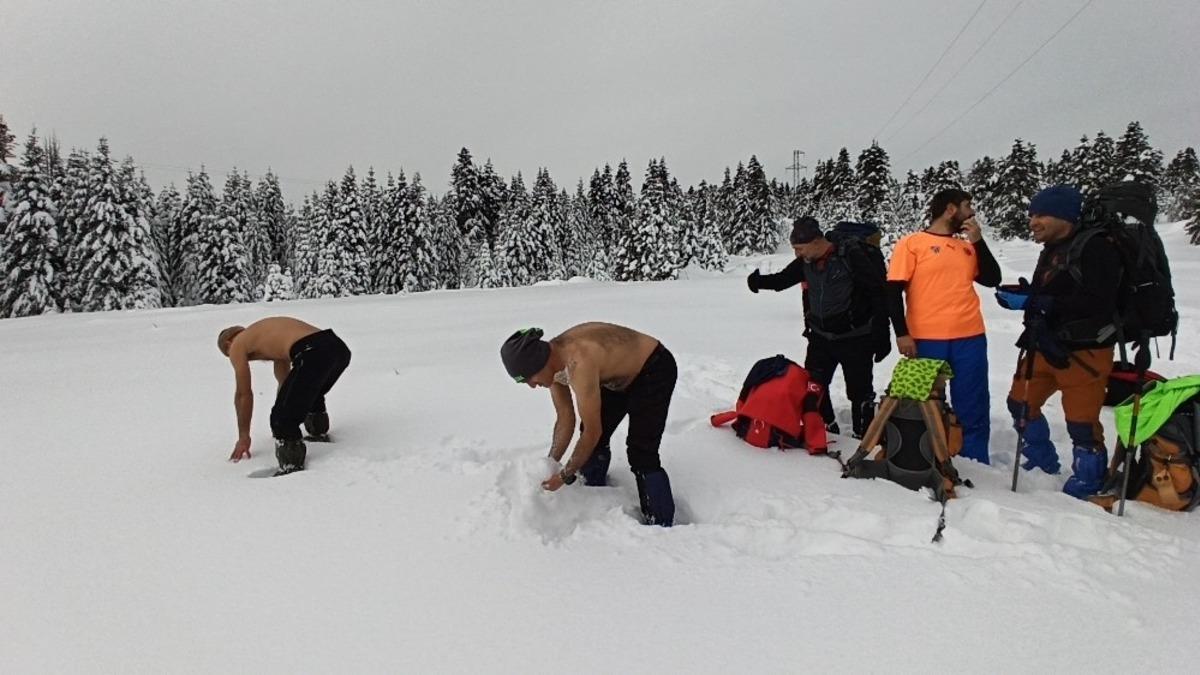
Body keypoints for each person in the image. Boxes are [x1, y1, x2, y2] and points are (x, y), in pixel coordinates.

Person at [996, 185, 1120, 498]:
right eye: (1031, 215)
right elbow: (1057, 291)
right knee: (1020, 403)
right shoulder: (1054, 249)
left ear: (1064, 216)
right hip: (1044, 343)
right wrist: (1030, 296)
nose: (1032, 222)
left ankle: (1089, 479)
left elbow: (1100, 303)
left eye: (1041, 215)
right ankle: (1041, 459)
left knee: (1082, 422)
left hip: (1085, 350)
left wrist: (1041, 303)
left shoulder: (1097, 248)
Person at [500, 322, 677, 526]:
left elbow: (593, 431)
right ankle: (592, 490)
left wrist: (565, 475)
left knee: (641, 452)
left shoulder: (579, 362)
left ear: (538, 364)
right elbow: (565, 418)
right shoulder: (551, 364)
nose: (532, 386)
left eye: (529, 379)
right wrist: (549, 465)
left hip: (653, 368)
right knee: (593, 437)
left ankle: (661, 524)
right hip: (616, 377)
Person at [747, 216, 890, 438]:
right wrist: (758, 282)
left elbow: (878, 292)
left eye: (799, 248)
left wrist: (882, 335)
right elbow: (783, 280)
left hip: (856, 337)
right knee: (814, 385)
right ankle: (826, 427)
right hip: (821, 337)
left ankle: (864, 438)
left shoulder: (850, 255)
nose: (797, 254)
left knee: (859, 391)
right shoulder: (806, 262)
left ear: (815, 242)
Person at [886, 188, 1001, 464]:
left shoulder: (966, 246)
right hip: (926, 338)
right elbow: (891, 292)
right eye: (967, 206)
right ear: (950, 209)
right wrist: (902, 334)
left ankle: (974, 460)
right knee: (926, 402)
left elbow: (992, 278)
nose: (971, 212)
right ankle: (927, 455)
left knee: (973, 403)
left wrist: (978, 242)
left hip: (970, 337)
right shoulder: (912, 243)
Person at [217, 317, 352, 475]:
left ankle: (291, 468)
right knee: (309, 394)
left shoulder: (237, 344)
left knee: (282, 419)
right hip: (337, 348)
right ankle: (318, 433)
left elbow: (243, 394)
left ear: (228, 343)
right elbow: (287, 384)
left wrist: (243, 436)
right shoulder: (266, 335)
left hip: (312, 350)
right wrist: (285, 406)